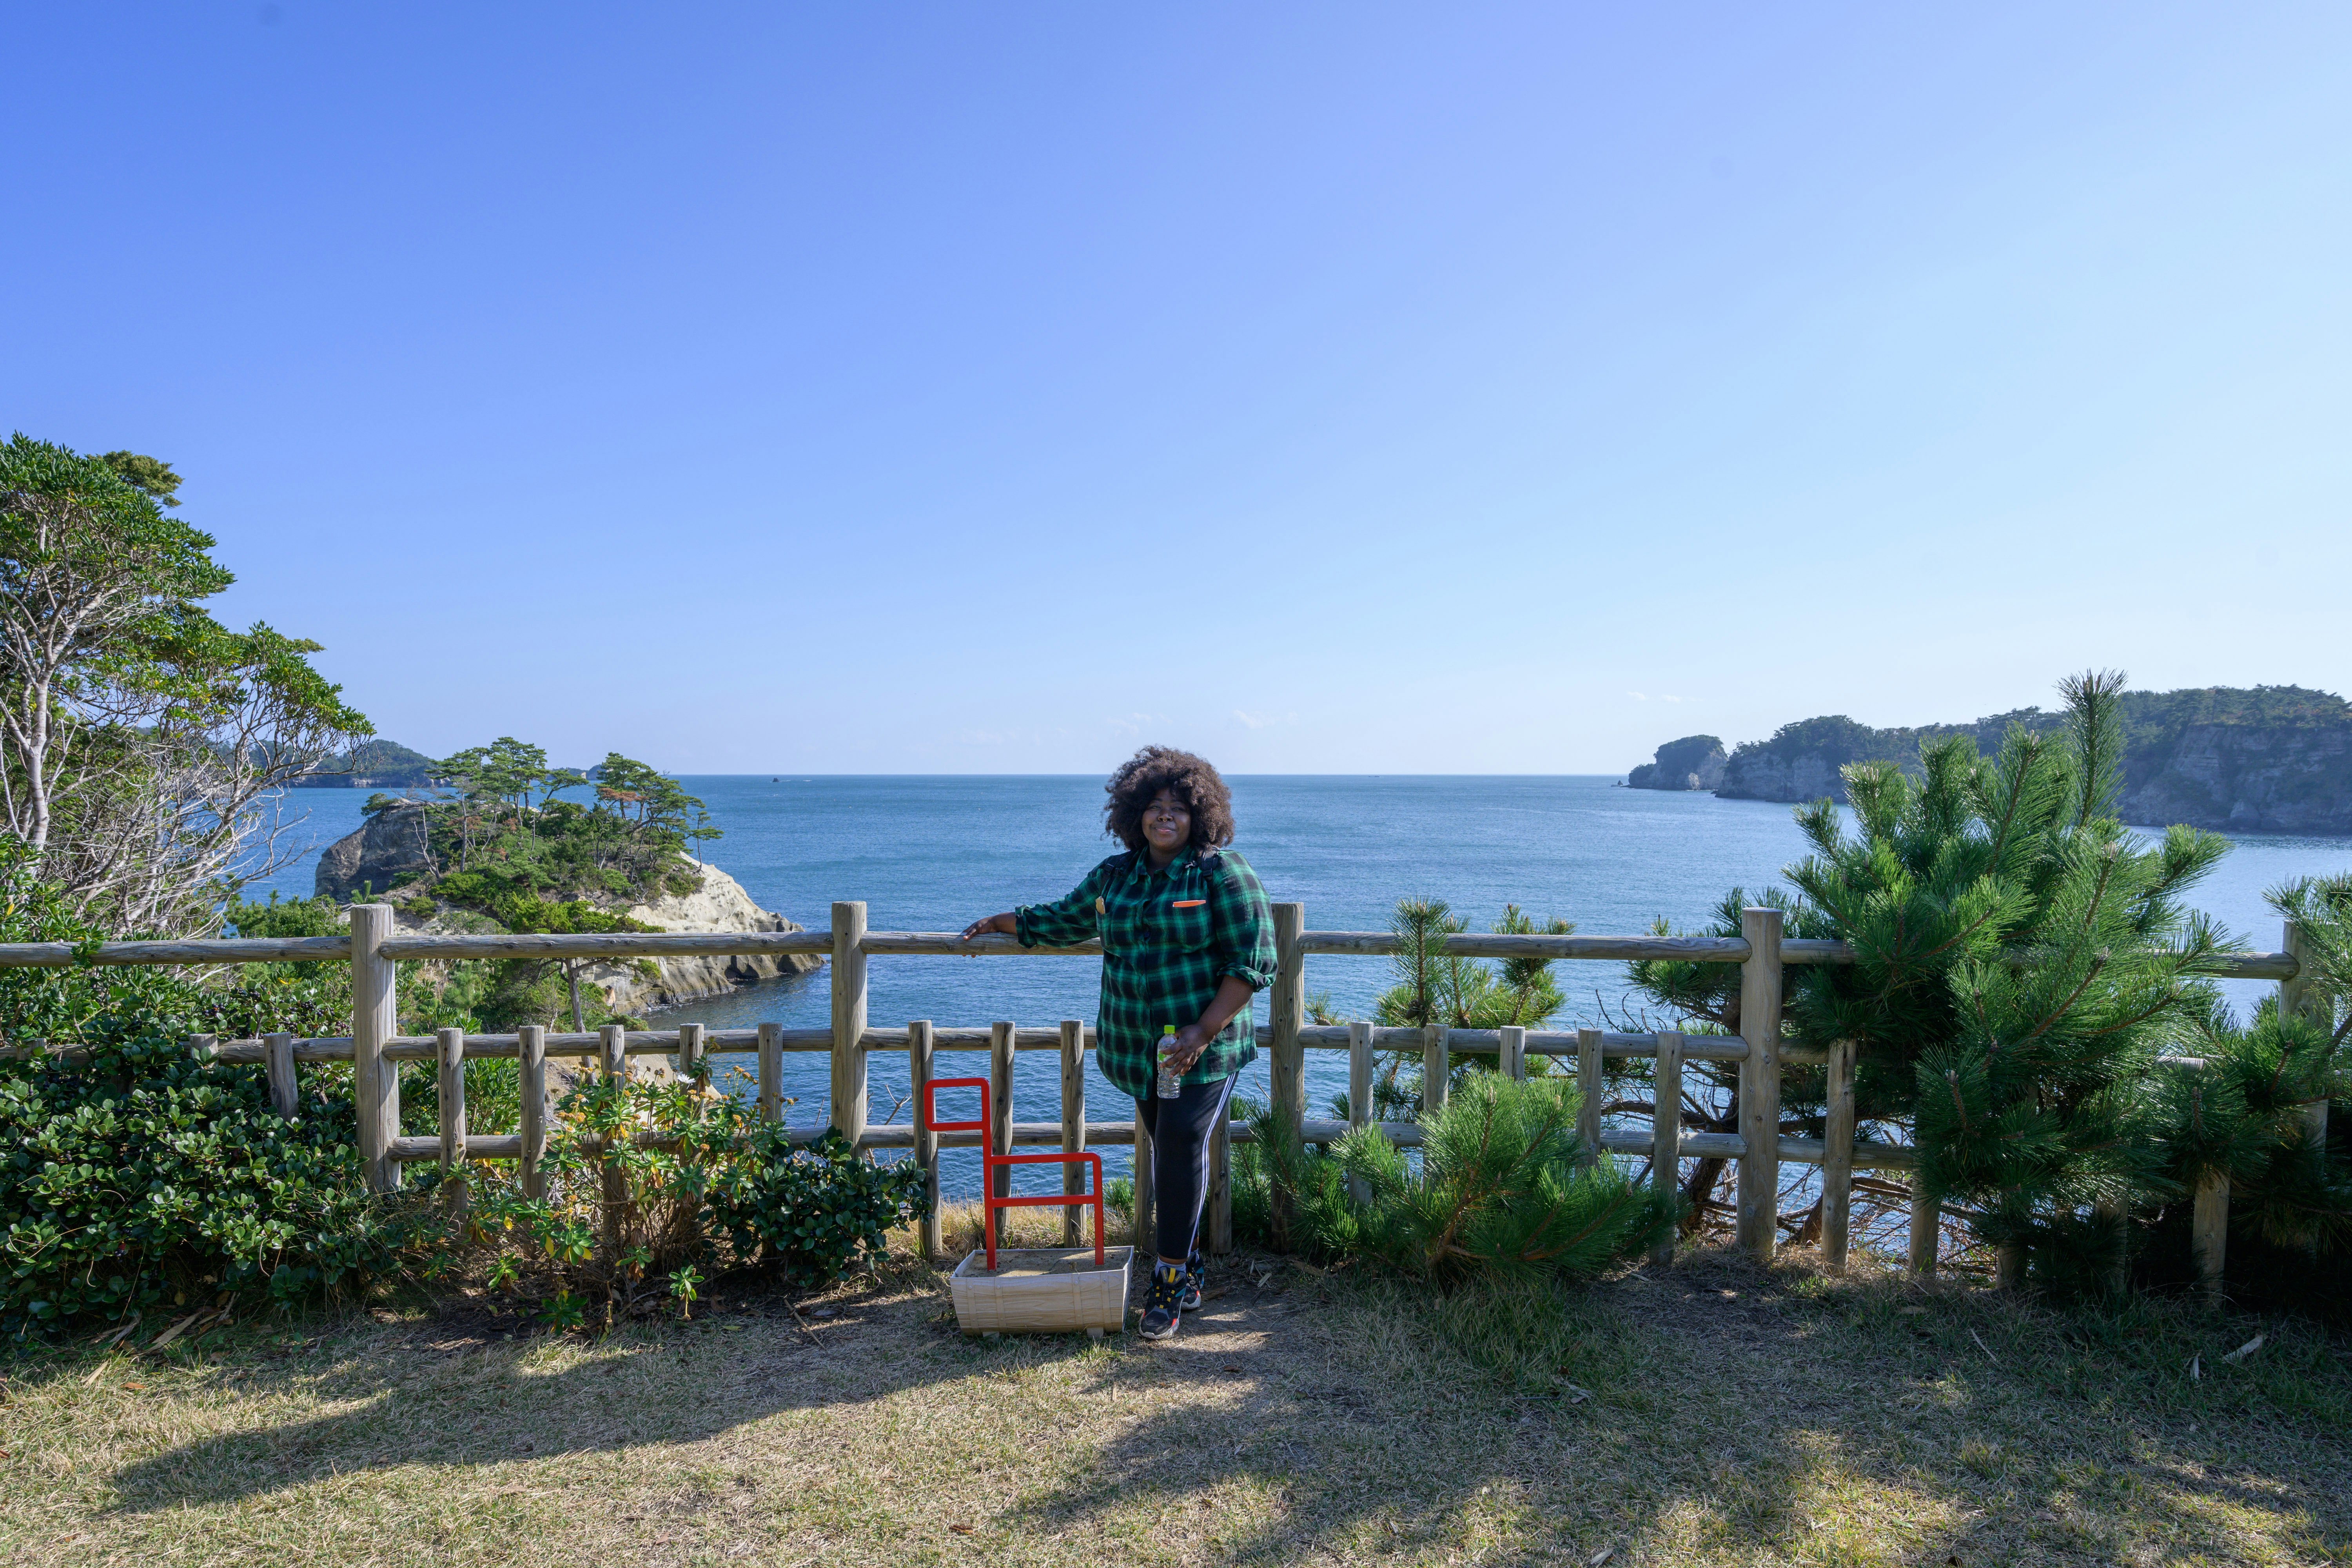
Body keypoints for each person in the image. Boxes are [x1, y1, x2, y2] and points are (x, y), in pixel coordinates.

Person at [960, 746, 1276, 1341]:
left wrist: (1203, 1030)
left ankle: (1169, 1280)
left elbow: (1254, 962)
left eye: (1178, 809)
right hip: (1138, 1050)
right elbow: (1062, 919)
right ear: (1133, 816)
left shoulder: (1222, 873)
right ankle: (1192, 1265)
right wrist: (1003, 922)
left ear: (1199, 816)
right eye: (1154, 808)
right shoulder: (1116, 878)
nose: (1165, 818)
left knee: (1181, 1146)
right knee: (1170, 1153)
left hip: (1201, 1050)